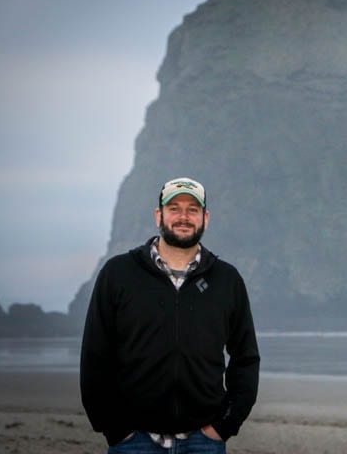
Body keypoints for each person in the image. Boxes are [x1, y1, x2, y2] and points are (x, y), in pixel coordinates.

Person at [80, 177, 260, 453]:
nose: (183, 217)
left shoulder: (227, 280)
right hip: (134, 440)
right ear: (159, 215)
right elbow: (95, 356)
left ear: (205, 218)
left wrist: (225, 425)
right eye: (174, 208)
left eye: (193, 209)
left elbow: (245, 358)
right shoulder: (118, 274)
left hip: (204, 441)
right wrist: (115, 428)